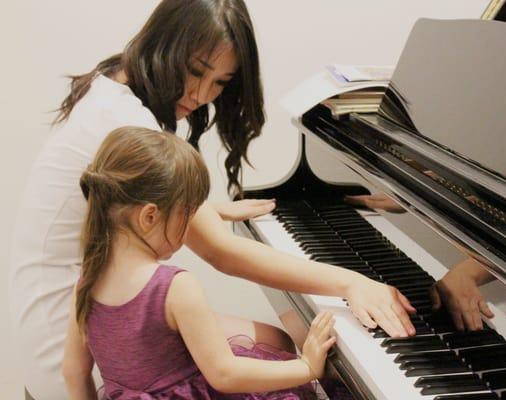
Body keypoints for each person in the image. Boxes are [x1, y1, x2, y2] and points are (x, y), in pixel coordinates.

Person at [9, 1, 415, 398]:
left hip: (79, 306)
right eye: (195, 72)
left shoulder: (109, 85)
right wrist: (350, 280)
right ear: (163, 44)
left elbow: (118, 201)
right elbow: (221, 254)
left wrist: (207, 211)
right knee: (278, 349)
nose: (203, 94)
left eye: (221, 82)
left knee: (276, 339)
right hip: (77, 333)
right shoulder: (127, 119)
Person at [62, 126, 336, 399]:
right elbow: (224, 373)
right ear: (149, 217)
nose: (190, 225)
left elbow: (73, 373)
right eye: (187, 213)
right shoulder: (173, 287)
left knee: (274, 340)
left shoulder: (86, 285)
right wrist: (307, 366)